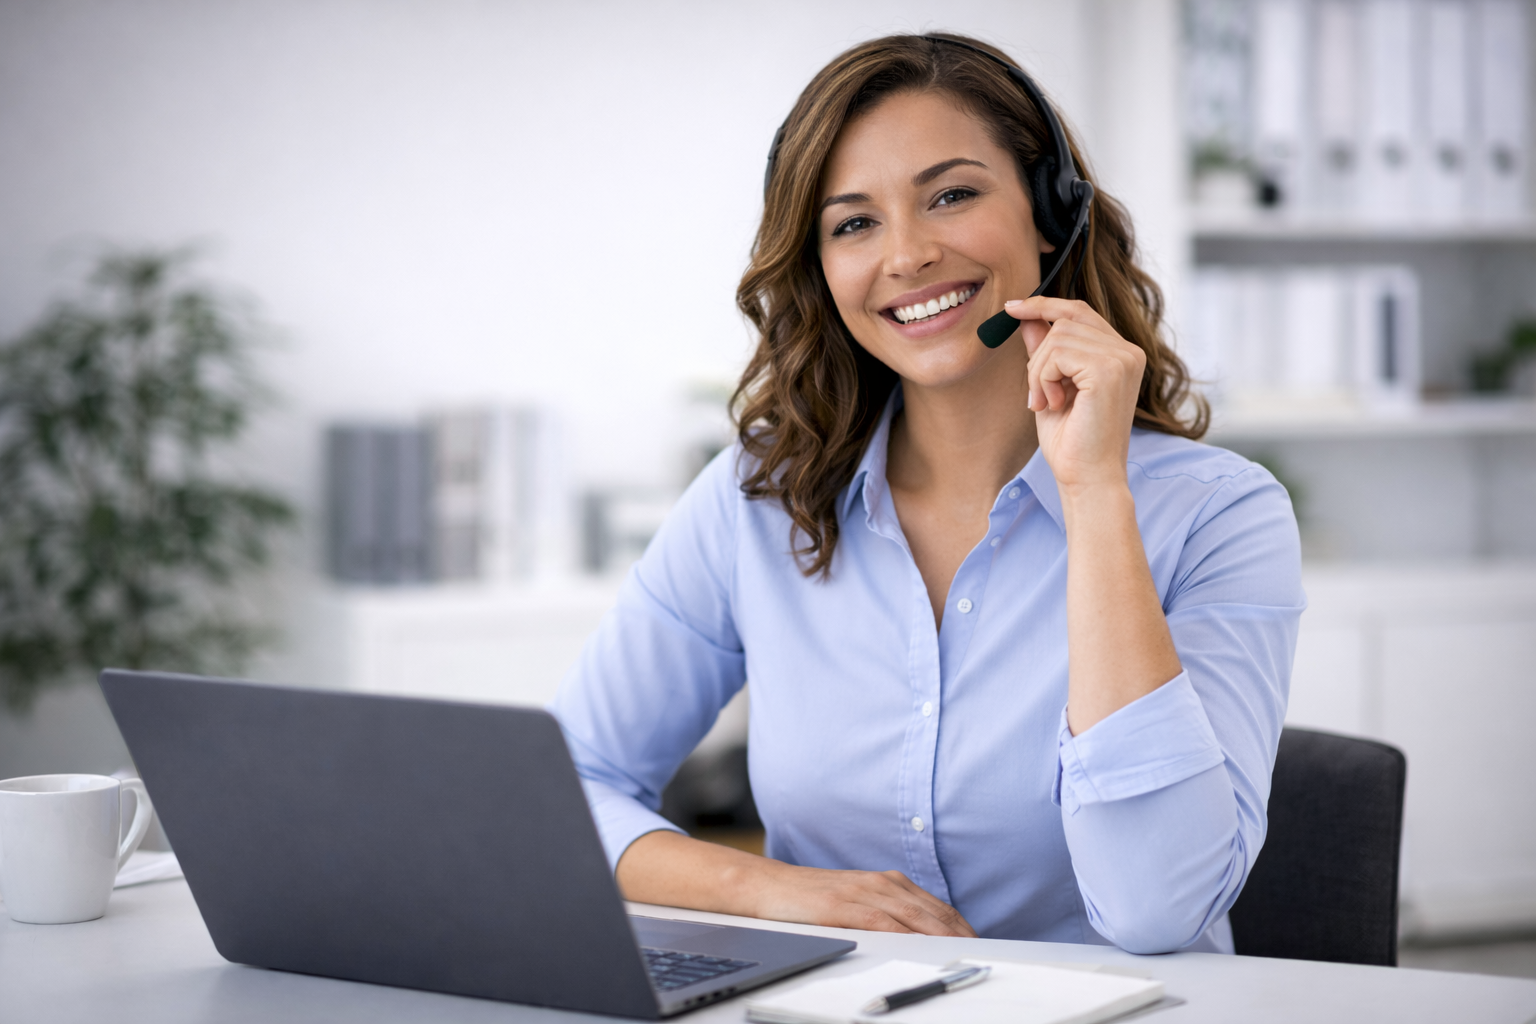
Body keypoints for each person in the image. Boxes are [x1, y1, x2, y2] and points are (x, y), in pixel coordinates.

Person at [550, 33, 1302, 955]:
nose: (905, 255)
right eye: (853, 223)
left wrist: (1096, 491)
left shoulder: (1220, 514)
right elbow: (562, 788)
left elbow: (1157, 909)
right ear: (820, 269)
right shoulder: (757, 500)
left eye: (952, 195)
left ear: (1049, 214)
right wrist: (768, 888)